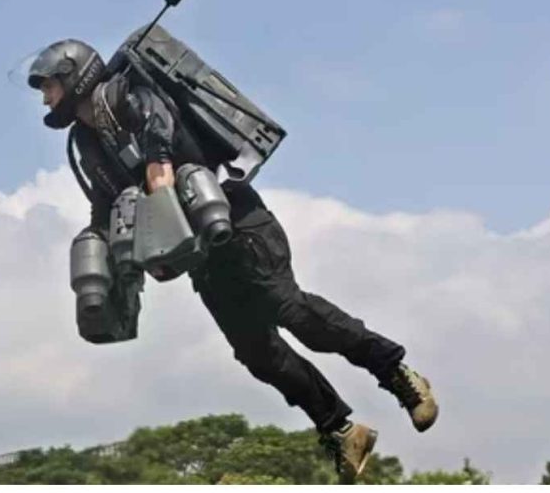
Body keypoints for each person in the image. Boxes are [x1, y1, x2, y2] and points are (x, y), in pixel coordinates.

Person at [22, 38, 439, 484]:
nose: (46, 98)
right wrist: (102, 259)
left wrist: (157, 206)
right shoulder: (85, 140)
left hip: (237, 221)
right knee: (257, 352)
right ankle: (341, 429)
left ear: (75, 76)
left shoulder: (133, 95)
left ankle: (395, 372)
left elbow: (159, 159)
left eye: (50, 86)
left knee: (292, 311)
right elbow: (106, 206)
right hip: (199, 255)